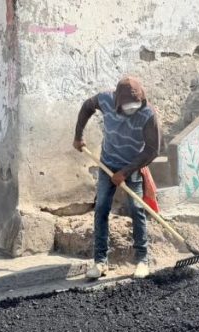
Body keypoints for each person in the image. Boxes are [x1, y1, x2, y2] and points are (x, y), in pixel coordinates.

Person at [73, 76, 159, 280]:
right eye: (127, 106)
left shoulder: (148, 114)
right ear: (117, 101)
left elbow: (152, 150)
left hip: (133, 166)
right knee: (101, 208)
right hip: (107, 164)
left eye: (135, 105)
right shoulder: (105, 100)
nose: (131, 110)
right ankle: (100, 262)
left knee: (137, 210)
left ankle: (142, 260)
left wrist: (126, 172)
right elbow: (87, 106)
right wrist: (78, 136)